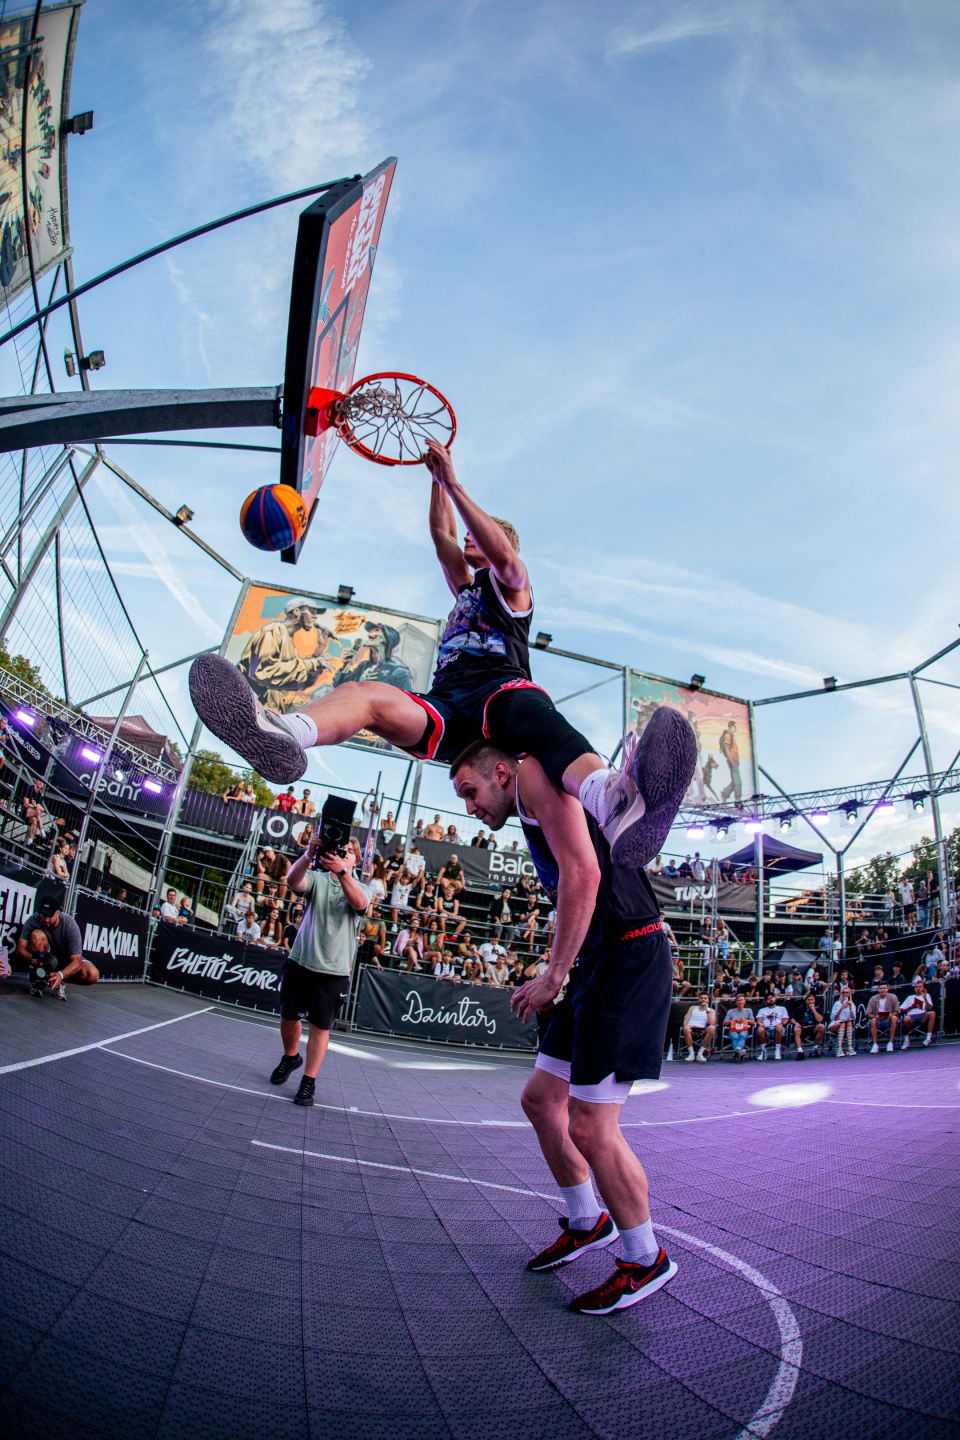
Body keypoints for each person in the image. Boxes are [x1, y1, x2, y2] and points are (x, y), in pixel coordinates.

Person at [189, 441, 696, 870]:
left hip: (500, 692)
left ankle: (612, 799)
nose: (467, 537)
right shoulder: (466, 592)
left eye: (479, 533)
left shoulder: (513, 589)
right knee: (367, 694)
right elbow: (441, 536)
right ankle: (284, 733)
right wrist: (435, 480)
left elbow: (504, 556)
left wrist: (454, 483)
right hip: (450, 709)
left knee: (533, 713)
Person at [451, 740, 679, 1315]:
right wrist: (558, 965)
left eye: (471, 792)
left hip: (630, 956)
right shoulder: (536, 808)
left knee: (591, 1126)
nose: (470, 808)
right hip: (597, 960)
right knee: (540, 1101)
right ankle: (587, 1221)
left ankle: (645, 1258)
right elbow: (575, 888)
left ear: (502, 772)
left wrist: (554, 974)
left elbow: (585, 876)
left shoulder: (537, 777)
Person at [269, 835, 370, 1105]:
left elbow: (359, 903)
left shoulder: (362, 888)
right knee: (288, 1016)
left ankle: (308, 1082)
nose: (343, 854)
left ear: (356, 860)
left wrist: (342, 872)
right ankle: (291, 1057)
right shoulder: (318, 879)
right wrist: (308, 854)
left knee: (320, 1027)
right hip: (302, 960)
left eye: (349, 852)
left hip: (333, 970)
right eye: (340, 850)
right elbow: (293, 881)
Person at [16, 896, 99, 995]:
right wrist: (32, 959)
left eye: (50, 916)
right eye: (43, 915)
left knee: (92, 974)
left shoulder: (70, 925)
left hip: (65, 958)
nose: (46, 919)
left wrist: (61, 975)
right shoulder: (34, 919)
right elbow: (20, 948)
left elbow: (76, 961)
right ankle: (38, 980)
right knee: (37, 935)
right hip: (46, 957)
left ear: (58, 912)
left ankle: (61, 980)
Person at [899, 980, 935, 1047]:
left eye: (920, 987)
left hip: (922, 1015)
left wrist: (925, 999)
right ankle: (906, 1041)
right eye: (916, 987)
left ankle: (928, 1038)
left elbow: (929, 1008)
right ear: (914, 989)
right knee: (906, 1019)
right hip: (911, 1016)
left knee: (932, 1013)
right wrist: (910, 1007)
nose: (918, 988)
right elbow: (901, 1010)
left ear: (923, 988)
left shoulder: (926, 995)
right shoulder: (910, 997)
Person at [866, 982, 900, 1054]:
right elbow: (868, 1014)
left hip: (888, 1020)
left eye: (884, 988)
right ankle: (875, 1045)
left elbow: (897, 1011)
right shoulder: (873, 999)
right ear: (878, 990)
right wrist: (875, 1016)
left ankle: (890, 1043)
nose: (882, 990)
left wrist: (891, 1015)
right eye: (881, 988)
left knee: (894, 1018)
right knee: (873, 1020)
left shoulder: (893, 997)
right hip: (878, 1020)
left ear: (887, 989)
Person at [682, 994, 715, 1064]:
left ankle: (700, 1054)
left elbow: (711, 1023)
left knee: (712, 1028)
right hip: (691, 1028)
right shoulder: (692, 1008)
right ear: (698, 999)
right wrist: (686, 1025)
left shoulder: (711, 1010)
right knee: (686, 1028)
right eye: (701, 998)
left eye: (705, 998)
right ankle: (691, 1054)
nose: (703, 999)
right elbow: (686, 1020)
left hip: (702, 1030)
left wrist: (707, 1010)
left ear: (708, 1000)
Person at [792, 993, 825, 1058]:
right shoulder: (800, 1009)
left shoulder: (818, 1009)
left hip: (813, 1028)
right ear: (806, 1001)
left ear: (814, 1001)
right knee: (796, 1029)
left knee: (822, 1027)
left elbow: (820, 1020)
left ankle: (815, 1049)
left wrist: (813, 1010)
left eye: (812, 1000)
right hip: (803, 1028)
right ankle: (800, 1052)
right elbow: (792, 1018)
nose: (810, 1001)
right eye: (809, 1000)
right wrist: (796, 1023)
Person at [723, 995, 754, 1062]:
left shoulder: (748, 1011)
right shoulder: (731, 1011)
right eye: (738, 1000)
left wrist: (745, 1020)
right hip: (733, 1029)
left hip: (744, 1029)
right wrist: (734, 1020)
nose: (740, 1002)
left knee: (742, 1035)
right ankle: (740, 1052)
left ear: (744, 1001)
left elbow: (753, 1023)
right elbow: (724, 1023)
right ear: (735, 1002)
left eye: (742, 1000)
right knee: (735, 1036)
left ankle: (737, 1052)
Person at [829, 987, 857, 1057]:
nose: (845, 994)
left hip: (847, 1024)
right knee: (842, 1023)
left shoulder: (852, 1004)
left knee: (849, 1022)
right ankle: (839, 1047)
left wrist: (850, 1007)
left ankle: (850, 1047)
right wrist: (841, 1008)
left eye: (847, 992)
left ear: (849, 994)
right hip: (836, 1023)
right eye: (843, 992)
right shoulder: (837, 1003)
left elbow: (853, 1018)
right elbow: (834, 1018)